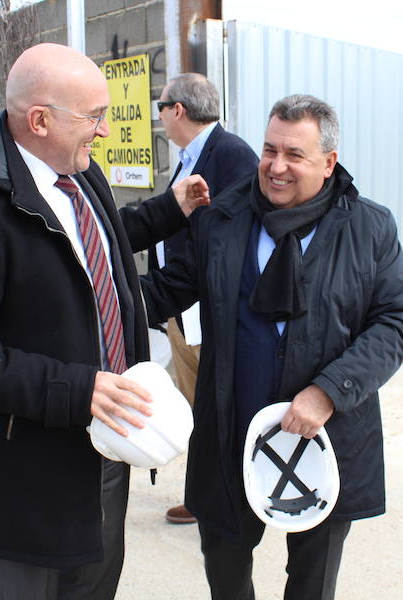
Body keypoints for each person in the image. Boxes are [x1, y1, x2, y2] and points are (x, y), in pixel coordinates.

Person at [0, 43, 207, 600]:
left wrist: (169, 209)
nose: (104, 132)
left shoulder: (79, 175)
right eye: (93, 117)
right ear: (39, 121)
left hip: (106, 449)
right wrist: (76, 390)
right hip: (30, 481)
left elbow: (93, 243)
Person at [141, 94, 403, 599]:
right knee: (225, 574)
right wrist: (83, 290)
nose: (276, 166)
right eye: (269, 150)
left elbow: (395, 321)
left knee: (311, 586)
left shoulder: (369, 228)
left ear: (329, 162)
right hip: (230, 433)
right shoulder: (220, 219)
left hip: (325, 438)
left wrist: (329, 391)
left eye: (295, 154)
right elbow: (163, 291)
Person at [148, 73, 259, 525]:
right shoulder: (192, 157)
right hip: (182, 308)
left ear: (177, 110)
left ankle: (220, 499)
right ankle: (207, 494)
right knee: (197, 407)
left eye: (160, 108)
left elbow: (232, 238)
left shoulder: (231, 156)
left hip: (203, 309)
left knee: (213, 408)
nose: (159, 118)